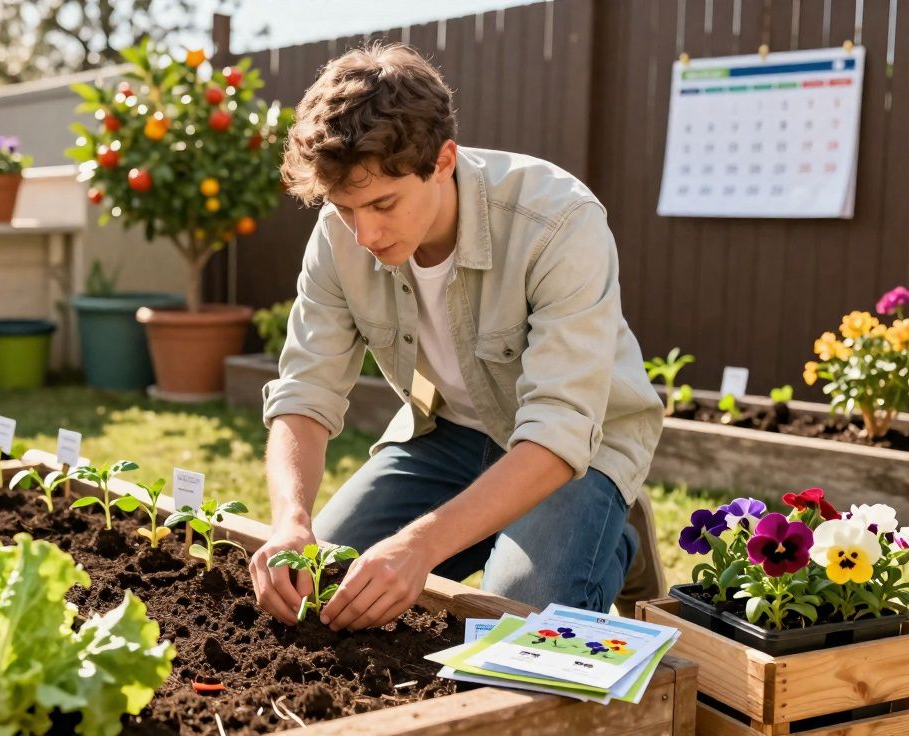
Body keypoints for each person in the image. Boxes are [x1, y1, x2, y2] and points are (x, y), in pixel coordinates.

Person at [249, 43, 665, 632]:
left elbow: (558, 428)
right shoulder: (339, 237)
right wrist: (291, 520)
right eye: (345, 208)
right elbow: (305, 392)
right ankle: (508, 527)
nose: (364, 233)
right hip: (446, 434)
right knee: (325, 586)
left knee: (518, 621)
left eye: (383, 203)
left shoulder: (559, 222)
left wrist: (419, 546)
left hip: (575, 451)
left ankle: (610, 528)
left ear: (443, 160)